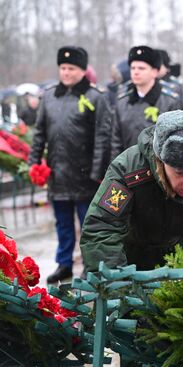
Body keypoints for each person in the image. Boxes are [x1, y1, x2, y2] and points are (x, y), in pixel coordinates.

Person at [80, 110, 183, 271]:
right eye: (180, 173)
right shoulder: (128, 170)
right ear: (161, 161)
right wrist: (118, 289)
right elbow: (102, 231)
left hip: (173, 265)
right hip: (122, 260)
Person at [29, 46, 112, 283]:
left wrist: (97, 172)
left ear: (83, 70)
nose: (66, 72)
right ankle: (64, 264)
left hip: (85, 174)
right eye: (63, 68)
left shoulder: (95, 97)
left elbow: (102, 137)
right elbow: (39, 133)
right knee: (63, 224)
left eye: (71, 68)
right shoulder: (49, 96)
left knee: (88, 225)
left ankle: (89, 265)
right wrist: (34, 162)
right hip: (58, 173)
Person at [111, 46, 182, 160]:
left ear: (154, 72)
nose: (136, 72)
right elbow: (116, 142)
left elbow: (175, 143)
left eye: (141, 68)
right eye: (133, 68)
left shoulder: (170, 101)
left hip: (159, 169)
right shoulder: (123, 101)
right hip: (128, 167)